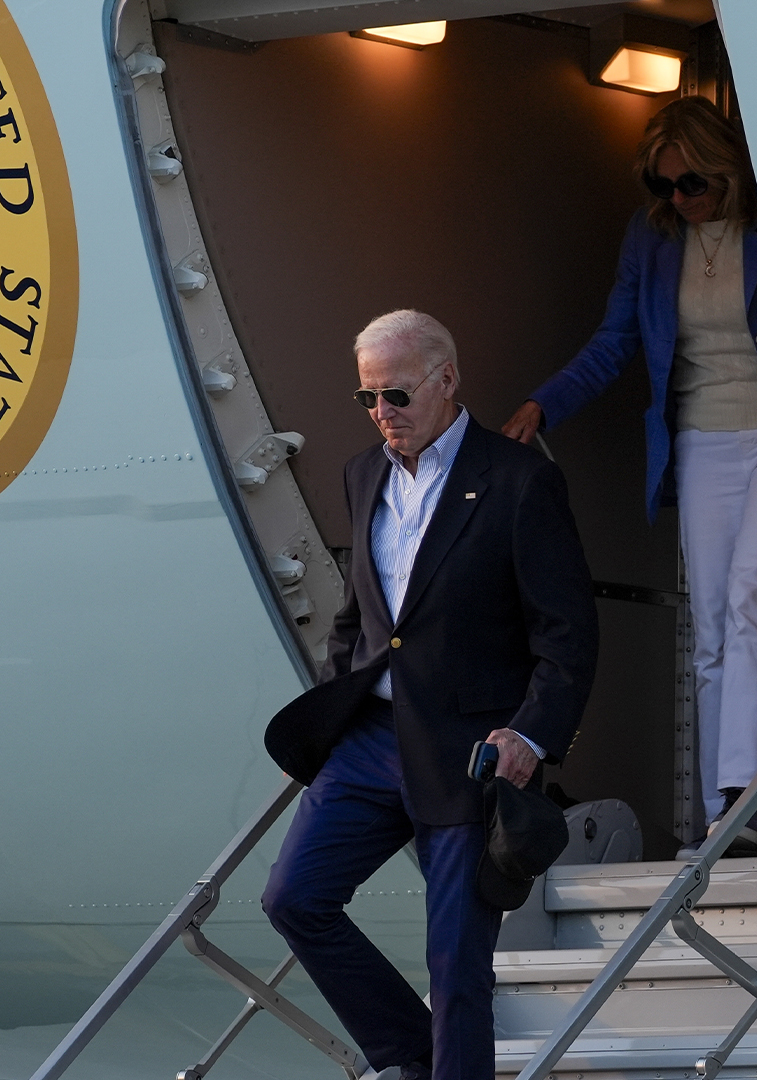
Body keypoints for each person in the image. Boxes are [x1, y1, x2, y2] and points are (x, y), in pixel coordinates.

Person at [502, 97, 757, 857]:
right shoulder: (651, 238)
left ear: (726, 170)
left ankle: (747, 797)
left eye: (693, 183)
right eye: (663, 187)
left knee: (754, 593)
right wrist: (543, 405)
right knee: (711, 625)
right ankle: (722, 816)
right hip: (702, 440)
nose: (679, 200)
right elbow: (614, 340)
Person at [262, 310, 599, 1080]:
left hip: (471, 753)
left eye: (397, 395)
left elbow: (567, 636)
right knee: (294, 898)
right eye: (368, 399)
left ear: (448, 381)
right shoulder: (362, 475)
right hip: (369, 741)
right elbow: (356, 621)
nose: (383, 414)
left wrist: (530, 736)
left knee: (455, 964)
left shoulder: (521, 483)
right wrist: (328, 718)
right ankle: (412, 1058)